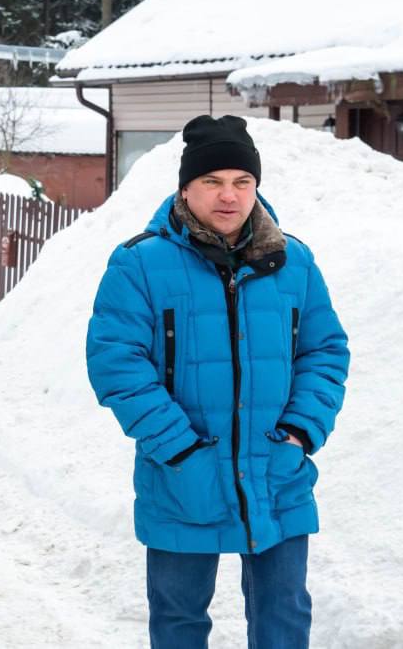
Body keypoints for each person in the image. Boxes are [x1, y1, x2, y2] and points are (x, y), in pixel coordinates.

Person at [86, 115, 350, 648]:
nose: (229, 196)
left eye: (242, 182)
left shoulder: (293, 261)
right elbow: (116, 363)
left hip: (276, 471)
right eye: (212, 182)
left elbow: (325, 350)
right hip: (182, 474)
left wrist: (300, 433)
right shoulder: (139, 263)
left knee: (284, 617)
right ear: (186, 187)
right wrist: (178, 449)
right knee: (179, 620)